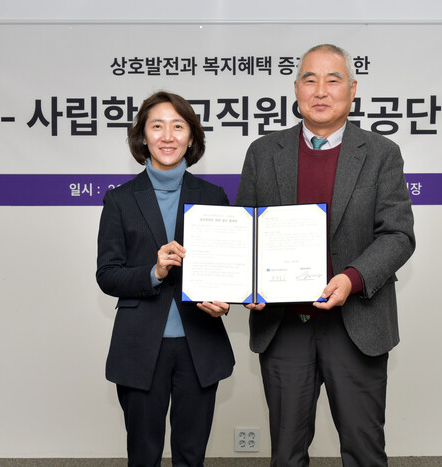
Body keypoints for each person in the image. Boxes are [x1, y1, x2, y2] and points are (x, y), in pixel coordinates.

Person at [235, 44, 416, 466]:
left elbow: (398, 235)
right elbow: (246, 234)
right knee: (286, 454)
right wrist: (247, 285)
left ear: (352, 89)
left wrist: (352, 278)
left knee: (364, 452)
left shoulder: (381, 153)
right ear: (296, 89)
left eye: (333, 80)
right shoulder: (264, 152)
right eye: (310, 80)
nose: (320, 91)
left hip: (356, 326)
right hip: (284, 327)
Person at [96, 91, 234, 467]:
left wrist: (226, 301)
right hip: (140, 346)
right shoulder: (120, 200)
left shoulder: (214, 197)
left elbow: (228, 267)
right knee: (144, 456)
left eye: (178, 126)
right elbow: (107, 275)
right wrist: (153, 273)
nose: (168, 136)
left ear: (191, 137)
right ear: (143, 137)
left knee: (191, 456)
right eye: (157, 126)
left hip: (199, 343)